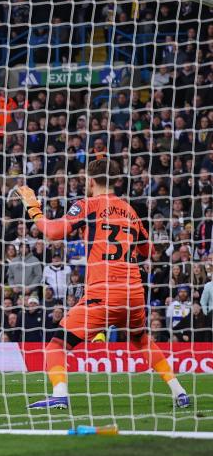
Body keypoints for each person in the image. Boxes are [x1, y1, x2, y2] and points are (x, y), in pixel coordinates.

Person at [18, 158, 190, 409]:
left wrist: (33, 206)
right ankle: (179, 391)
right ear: (116, 180)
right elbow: (147, 251)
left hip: (103, 292)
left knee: (57, 345)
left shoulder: (87, 205)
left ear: (90, 181)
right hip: (133, 293)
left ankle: (60, 395)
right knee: (141, 340)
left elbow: (53, 232)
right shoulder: (130, 210)